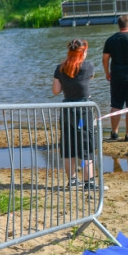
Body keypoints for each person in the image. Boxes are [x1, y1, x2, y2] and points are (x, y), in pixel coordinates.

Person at [52, 39, 99, 188]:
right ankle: (89, 181)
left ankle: (72, 180)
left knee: (68, 146)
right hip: (83, 111)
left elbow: (55, 91)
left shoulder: (60, 68)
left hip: (67, 110)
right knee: (86, 146)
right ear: (83, 52)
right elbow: (90, 78)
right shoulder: (88, 67)